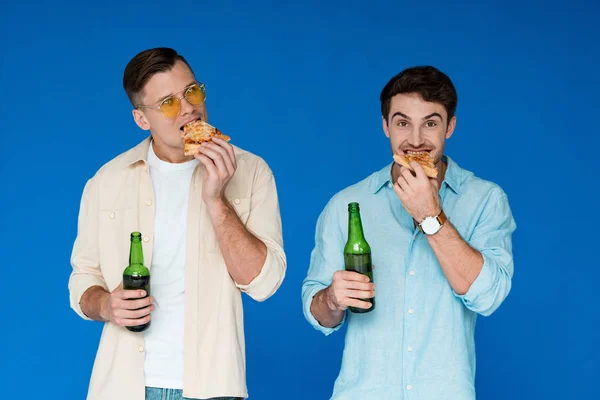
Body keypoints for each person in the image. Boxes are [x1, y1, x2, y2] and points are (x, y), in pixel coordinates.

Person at [68, 47, 286, 400]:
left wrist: (217, 200)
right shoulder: (106, 181)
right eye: (168, 103)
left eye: (192, 92)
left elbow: (264, 283)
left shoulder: (250, 171)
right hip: (122, 386)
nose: (188, 108)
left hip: (211, 387)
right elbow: (82, 279)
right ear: (141, 118)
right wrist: (107, 305)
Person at [302, 66, 516, 399]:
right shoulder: (347, 203)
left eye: (430, 123)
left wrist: (431, 215)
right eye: (403, 123)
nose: (416, 140)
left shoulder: (486, 200)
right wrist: (331, 298)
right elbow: (318, 312)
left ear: (450, 127)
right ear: (386, 126)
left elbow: (489, 296)